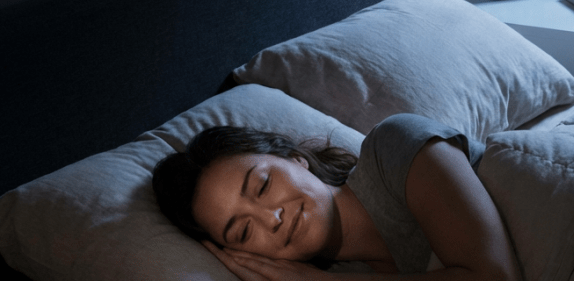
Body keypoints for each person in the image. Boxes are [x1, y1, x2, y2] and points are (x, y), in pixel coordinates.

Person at [152, 113, 521, 281]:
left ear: (295, 158)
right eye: (244, 232)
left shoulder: (393, 147)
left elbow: (495, 276)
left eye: (263, 185)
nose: (272, 218)